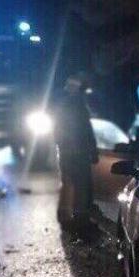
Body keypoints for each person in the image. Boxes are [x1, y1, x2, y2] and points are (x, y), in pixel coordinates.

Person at [52, 74, 98, 230]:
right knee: (80, 184)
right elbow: (86, 130)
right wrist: (92, 149)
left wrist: (62, 145)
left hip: (69, 150)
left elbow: (57, 130)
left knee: (68, 182)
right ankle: (79, 217)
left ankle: (64, 215)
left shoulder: (63, 104)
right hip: (78, 151)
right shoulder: (78, 105)